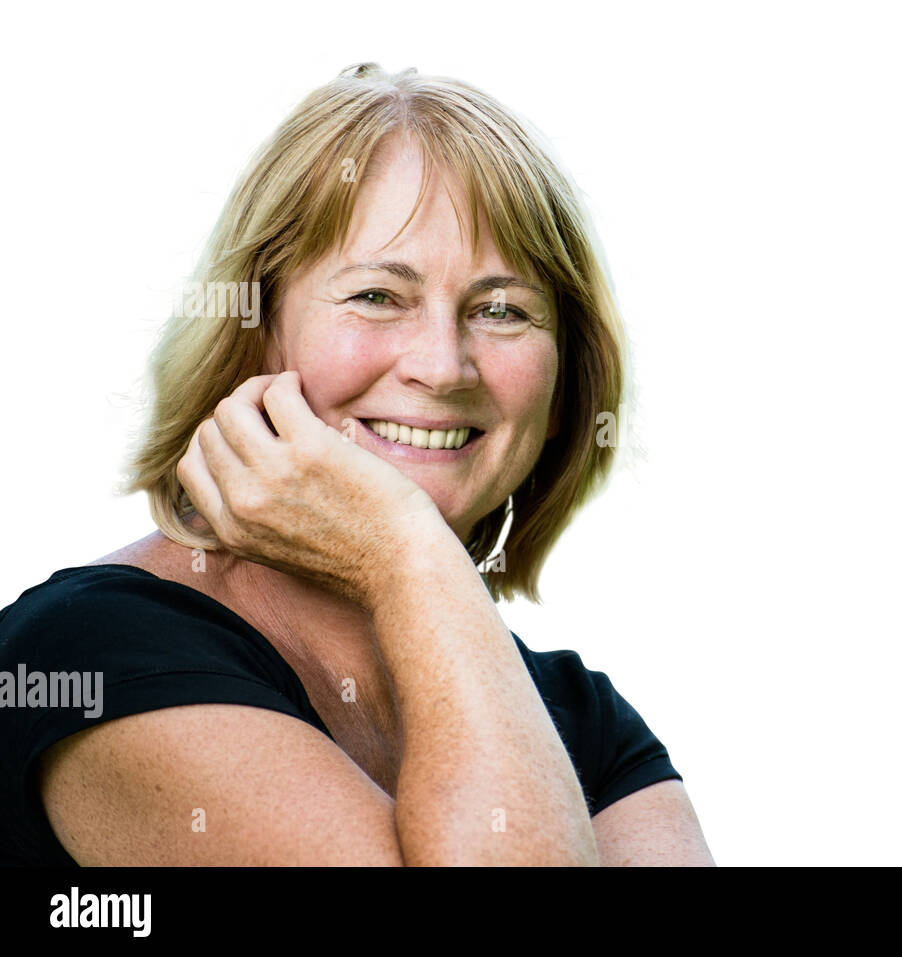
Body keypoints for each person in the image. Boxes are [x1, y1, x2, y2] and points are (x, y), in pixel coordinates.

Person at [0, 63, 713, 866]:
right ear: (257, 333)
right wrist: (405, 547)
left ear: (563, 383)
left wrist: (406, 561)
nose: (444, 367)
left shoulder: (586, 727)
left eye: (502, 309)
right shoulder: (89, 652)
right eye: (378, 295)